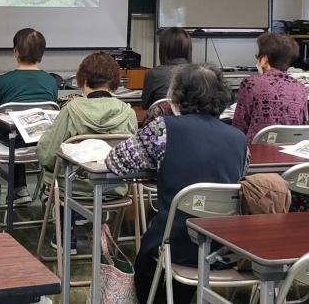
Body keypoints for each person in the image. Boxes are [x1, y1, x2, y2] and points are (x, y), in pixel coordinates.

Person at [106, 63, 248, 304]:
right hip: (222, 247)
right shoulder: (239, 139)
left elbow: (116, 162)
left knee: (144, 263)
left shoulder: (163, 129)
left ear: (178, 96)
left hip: (173, 242)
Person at [36, 51, 137, 252]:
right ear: (115, 81)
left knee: (57, 171)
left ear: (82, 80)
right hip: (114, 188)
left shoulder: (72, 110)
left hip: (74, 188)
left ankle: (66, 236)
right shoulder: (129, 113)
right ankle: (102, 234)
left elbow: (47, 154)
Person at [0, 28, 58, 208]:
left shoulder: (2, 82)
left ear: (16, 53)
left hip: (6, 143)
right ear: (41, 54)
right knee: (21, 130)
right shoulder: (50, 81)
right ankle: (20, 189)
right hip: (40, 143)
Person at [232, 32, 308, 143]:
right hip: (290, 150)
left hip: (257, 150)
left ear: (264, 60)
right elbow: (302, 123)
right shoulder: (300, 87)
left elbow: (239, 126)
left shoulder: (251, 83)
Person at [141, 27, 192, 109]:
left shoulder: (154, 74)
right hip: (193, 121)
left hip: (164, 120)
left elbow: (145, 106)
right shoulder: (201, 73)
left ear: (163, 49)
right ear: (188, 47)